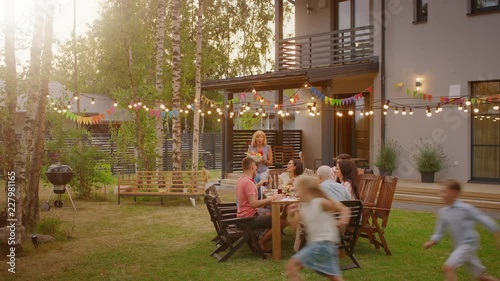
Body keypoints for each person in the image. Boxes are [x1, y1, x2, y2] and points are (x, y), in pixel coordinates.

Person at [423, 179, 500, 281]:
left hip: (469, 244)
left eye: (444, 191)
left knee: (448, 267)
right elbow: (439, 231)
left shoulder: (465, 208)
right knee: (480, 277)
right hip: (459, 246)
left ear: (454, 193)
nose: (441, 194)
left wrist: (498, 237)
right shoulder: (443, 212)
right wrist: (432, 241)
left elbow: (486, 221)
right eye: (441, 191)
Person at [285, 175, 350, 281]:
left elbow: (344, 209)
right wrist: (292, 214)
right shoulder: (304, 206)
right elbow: (295, 226)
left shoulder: (319, 202)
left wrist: (342, 221)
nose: (296, 194)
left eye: (297, 190)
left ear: (306, 190)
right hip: (324, 245)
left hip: (322, 245)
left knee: (291, 266)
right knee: (334, 277)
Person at [236, 156, 283, 252]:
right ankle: (262, 243)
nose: (257, 169)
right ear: (253, 166)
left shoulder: (241, 179)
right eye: (256, 167)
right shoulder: (248, 182)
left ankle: (264, 239)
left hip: (243, 216)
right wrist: (271, 198)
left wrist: (259, 184)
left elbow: (250, 191)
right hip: (248, 220)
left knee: (271, 212)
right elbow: (253, 204)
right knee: (279, 220)